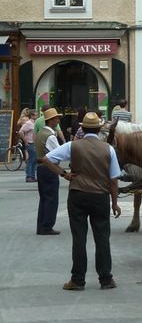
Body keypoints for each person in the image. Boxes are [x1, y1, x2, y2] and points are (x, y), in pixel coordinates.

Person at [42, 111, 123, 291]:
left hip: (78, 194)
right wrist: (115, 202)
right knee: (102, 237)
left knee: (79, 238)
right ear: (100, 128)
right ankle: (106, 279)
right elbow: (114, 180)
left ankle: (77, 280)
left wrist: (64, 174)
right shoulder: (108, 148)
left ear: (82, 128)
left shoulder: (73, 145)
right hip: (100, 196)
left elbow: (47, 159)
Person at [35, 107, 65, 235]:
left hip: (41, 169)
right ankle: (47, 226)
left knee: (44, 198)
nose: (58, 120)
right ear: (51, 120)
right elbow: (60, 153)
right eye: (56, 118)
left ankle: (41, 226)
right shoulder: (50, 136)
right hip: (49, 169)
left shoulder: (40, 132)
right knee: (51, 198)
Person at [18, 109, 38, 182]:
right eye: (36, 115)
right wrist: (25, 141)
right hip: (30, 143)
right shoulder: (29, 123)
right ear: (32, 116)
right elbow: (21, 131)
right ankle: (29, 176)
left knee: (34, 160)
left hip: (34, 143)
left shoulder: (34, 123)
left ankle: (32, 176)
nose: (37, 116)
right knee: (31, 160)